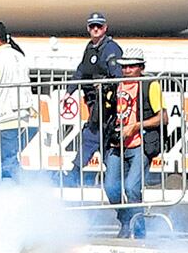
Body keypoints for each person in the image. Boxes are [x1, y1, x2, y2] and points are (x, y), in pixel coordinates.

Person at [103, 47, 167, 238]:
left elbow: (163, 117)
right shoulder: (116, 85)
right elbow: (108, 111)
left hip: (140, 143)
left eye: (132, 66)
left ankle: (139, 230)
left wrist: (136, 126)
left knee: (131, 187)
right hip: (117, 144)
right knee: (111, 187)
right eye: (124, 67)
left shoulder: (150, 85)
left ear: (141, 67)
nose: (127, 70)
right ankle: (125, 221)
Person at [64, 12, 123, 184]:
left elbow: (118, 76)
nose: (95, 29)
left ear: (105, 28)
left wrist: (105, 86)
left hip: (108, 104)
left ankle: (74, 175)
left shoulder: (111, 48)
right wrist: (69, 92)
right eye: (92, 26)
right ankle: (114, 179)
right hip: (94, 103)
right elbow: (81, 71)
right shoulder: (90, 48)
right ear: (88, 28)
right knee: (101, 141)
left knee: (94, 136)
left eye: (99, 26)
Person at [0, 21, 35, 181]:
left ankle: (14, 192)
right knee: (7, 161)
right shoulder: (19, 56)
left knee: (4, 164)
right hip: (21, 118)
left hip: (2, 119)